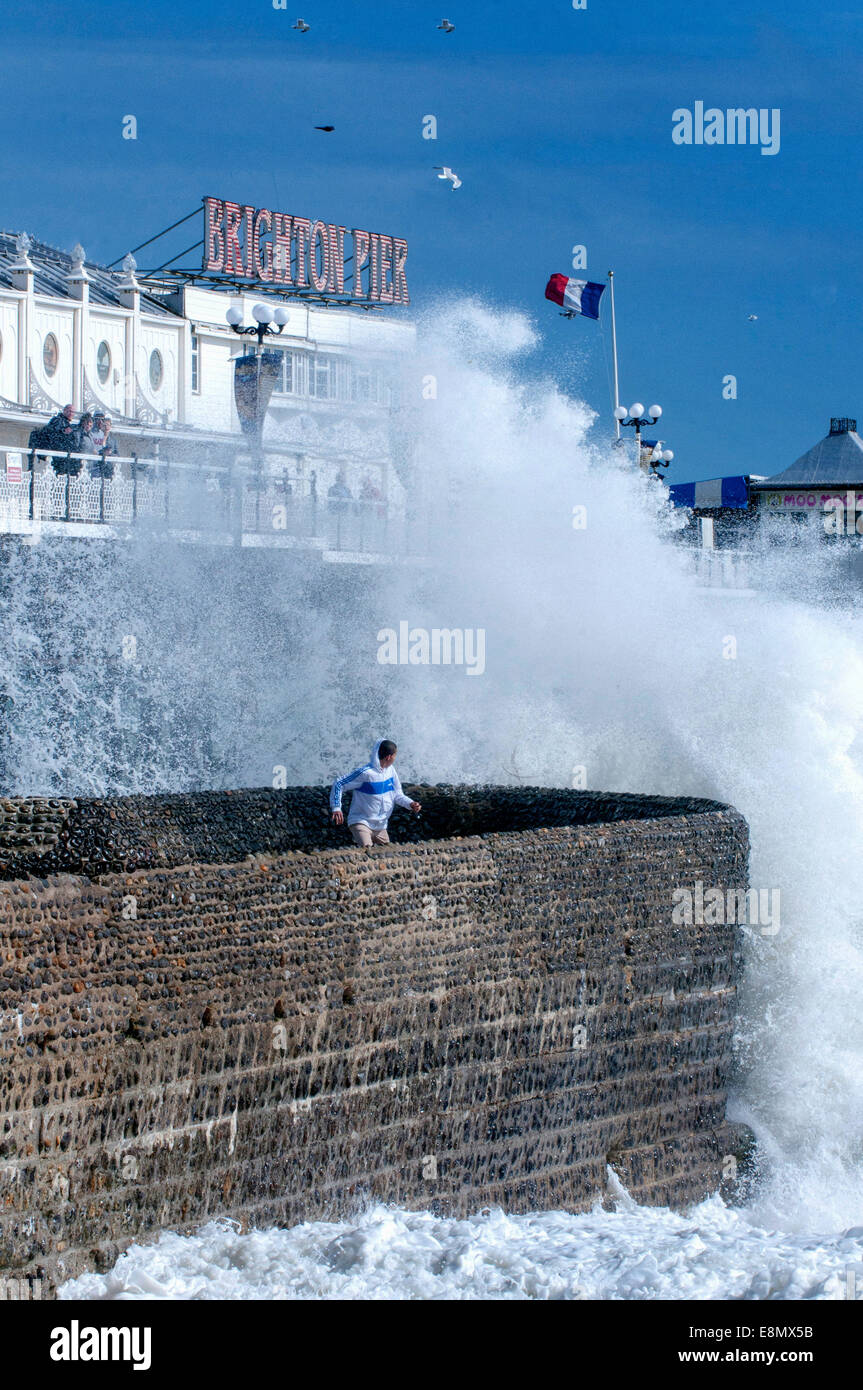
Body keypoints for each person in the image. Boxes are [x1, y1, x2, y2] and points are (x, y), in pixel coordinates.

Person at [330, 738, 421, 846]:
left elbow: (397, 794)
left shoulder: (391, 771)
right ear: (389, 757)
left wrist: (410, 804)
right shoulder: (365, 773)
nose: (395, 758)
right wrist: (336, 807)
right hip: (361, 821)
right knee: (367, 851)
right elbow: (339, 783)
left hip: (381, 826)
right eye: (395, 755)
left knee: (388, 856)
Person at [89, 414, 117, 479]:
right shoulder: (93, 434)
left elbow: (116, 454)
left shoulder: (112, 440)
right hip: (94, 466)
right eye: (105, 425)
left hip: (107, 468)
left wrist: (110, 454)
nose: (106, 427)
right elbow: (91, 449)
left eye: (108, 425)